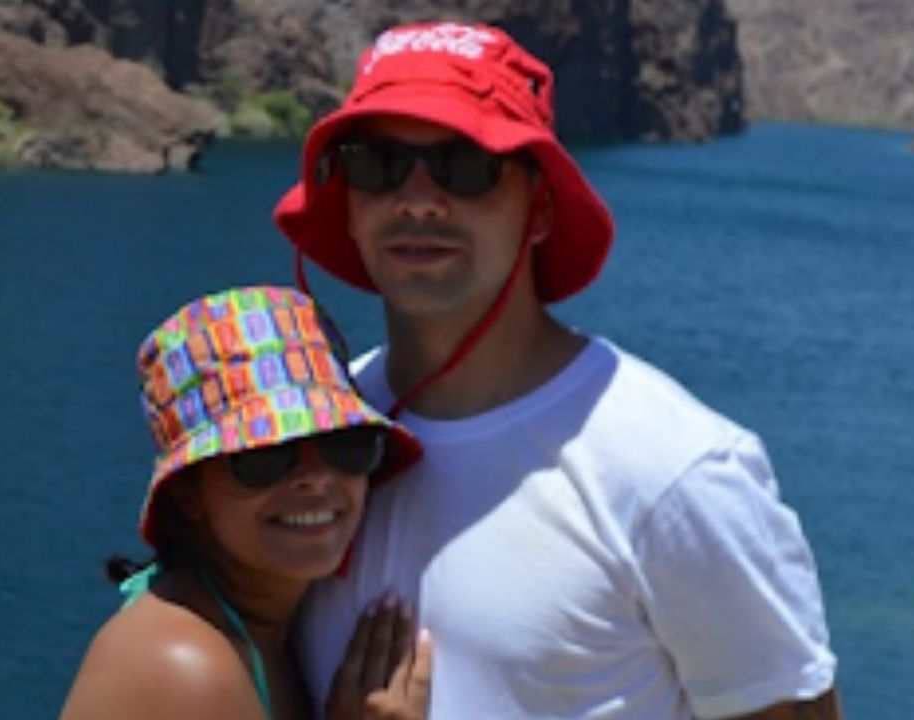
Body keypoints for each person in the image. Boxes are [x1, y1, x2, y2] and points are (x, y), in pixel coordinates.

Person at [272, 21, 842, 720]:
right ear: (349, 206)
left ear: (540, 209)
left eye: (464, 164)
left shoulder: (672, 474)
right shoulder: (318, 440)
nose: (417, 199)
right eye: (376, 164)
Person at [58, 285, 432, 720]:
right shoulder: (184, 668)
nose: (314, 478)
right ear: (187, 495)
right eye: (264, 458)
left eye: (343, 444)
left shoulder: (267, 630)